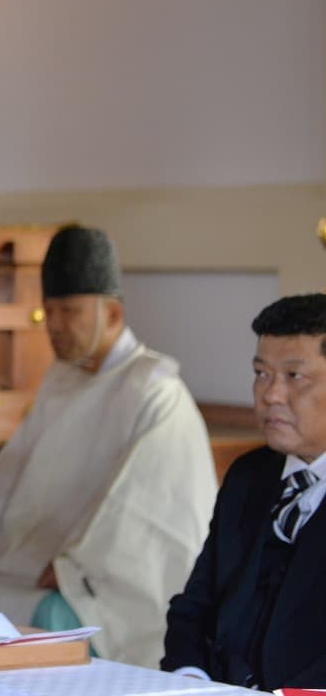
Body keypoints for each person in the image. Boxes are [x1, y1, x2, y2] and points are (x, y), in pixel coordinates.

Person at [0, 225, 217, 668]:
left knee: (48, 615)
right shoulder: (62, 380)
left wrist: (72, 570)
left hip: (108, 591)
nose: (55, 326)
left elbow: (146, 512)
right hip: (41, 568)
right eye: (49, 311)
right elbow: (14, 470)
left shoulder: (155, 390)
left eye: (69, 310)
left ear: (114, 314)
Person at [161, 293, 326, 689]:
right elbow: (195, 606)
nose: (270, 395)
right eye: (260, 374)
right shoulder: (248, 477)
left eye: (293, 376)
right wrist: (191, 678)